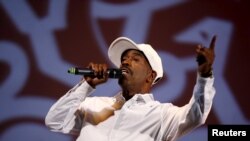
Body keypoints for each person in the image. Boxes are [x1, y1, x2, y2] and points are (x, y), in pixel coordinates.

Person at [45, 36, 216, 141]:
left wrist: (205, 75)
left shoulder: (161, 116)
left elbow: (196, 115)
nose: (125, 62)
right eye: (124, 59)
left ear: (150, 75)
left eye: (135, 59)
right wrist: (86, 85)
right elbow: (54, 121)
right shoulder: (95, 105)